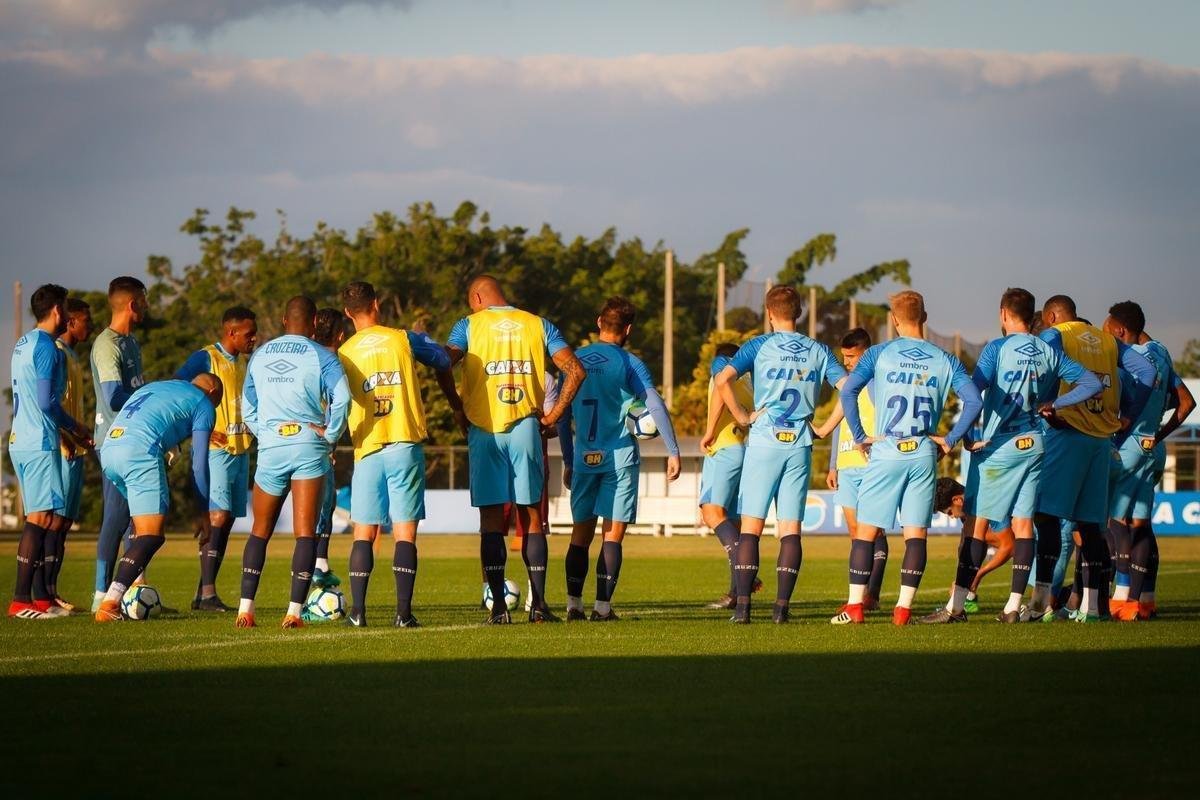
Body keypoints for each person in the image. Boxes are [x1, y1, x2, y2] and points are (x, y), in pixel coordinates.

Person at [923, 288, 1099, 623]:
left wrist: (963, 437)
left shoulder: (997, 348)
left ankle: (956, 607)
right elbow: (1091, 383)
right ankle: (1013, 607)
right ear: (1033, 316)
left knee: (977, 525)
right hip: (1034, 442)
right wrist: (1054, 404)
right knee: (1023, 526)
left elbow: (973, 395)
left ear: (1004, 313)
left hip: (1000, 444)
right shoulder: (1048, 351)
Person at [831, 289, 983, 626]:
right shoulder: (945, 359)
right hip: (923, 452)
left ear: (894, 320)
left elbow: (848, 390)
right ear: (924, 318)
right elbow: (974, 402)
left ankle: (855, 608)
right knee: (916, 535)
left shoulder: (880, 353)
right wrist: (951, 439)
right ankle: (903, 611)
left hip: (887, 449)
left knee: (866, 532)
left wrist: (858, 436)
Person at [445, 274, 585, 624]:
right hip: (526, 426)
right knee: (531, 518)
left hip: (485, 427)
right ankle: (538, 606)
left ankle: (498, 609)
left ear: (477, 298)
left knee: (491, 520)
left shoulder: (468, 325)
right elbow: (575, 370)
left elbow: (443, 362)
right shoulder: (537, 324)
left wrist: (457, 406)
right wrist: (553, 414)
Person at [713, 285, 846, 624]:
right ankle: (781, 610)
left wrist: (742, 416)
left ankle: (742, 609)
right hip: (798, 443)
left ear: (769, 313)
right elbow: (850, 389)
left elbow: (722, 379)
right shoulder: (818, 350)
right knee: (790, 529)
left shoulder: (758, 345)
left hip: (764, 442)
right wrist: (827, 426)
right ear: (798, 312)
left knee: (751, 528)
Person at [337, 281, 463, 628]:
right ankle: (403, 614)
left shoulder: (344, 351)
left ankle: (358, 613)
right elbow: (441, 359)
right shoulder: (403, 337)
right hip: (404, 442)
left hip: (367, 446)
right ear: (376, 304)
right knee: (405, 533)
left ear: (348, 313)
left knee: (364, 531)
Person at [1032, 294, 1156, 622]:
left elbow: (1044, 373)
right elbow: (1146, 372)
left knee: (1045, 517)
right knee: (1090, 526)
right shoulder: (1106, 341)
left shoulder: (1055, 335)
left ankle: (1038, 603)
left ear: (1053, 316)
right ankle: (1095, 606)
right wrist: (1129, 414)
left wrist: (1049, 406)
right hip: (1101, 442)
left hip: (1068, 433)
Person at [558, 297, 681, 621]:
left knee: (579, 535)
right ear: (628, 329)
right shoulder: (629, 363)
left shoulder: (574, 359)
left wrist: (569, 460)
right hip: (620, 460)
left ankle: (573, 605)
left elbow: (561, 415)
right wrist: (673, 450)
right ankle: (602, 608)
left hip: (585, 458)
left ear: (600, 322)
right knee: (612, 535)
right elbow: (654, 405)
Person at [235, 296, 350, 629]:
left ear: (285, 320)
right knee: (304, 535)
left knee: (260, 531)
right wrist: (330, 434)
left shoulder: (260, 354)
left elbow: (248, 406)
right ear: (314, 323)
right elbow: (342, 398)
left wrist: (265, 434)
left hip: (272, 448)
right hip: (308, 447)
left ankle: (246, 609)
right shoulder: (322, 356)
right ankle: (294, 613)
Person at [93, 376, 222, 621]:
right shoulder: (204, 403)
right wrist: (202, 511)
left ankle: (133, 592)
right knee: (152, 536)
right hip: (139, 452)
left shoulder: (159, 386)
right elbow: (199, 465)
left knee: (139, 528)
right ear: (213, 391)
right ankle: (110, 601)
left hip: (110, 450)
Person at [1103, 303, 1194, 621]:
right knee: (1140, 524)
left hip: (1128, 448)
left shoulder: (1130, 362)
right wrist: (1159, 433)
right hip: (1153, 449)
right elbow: (1187, 402)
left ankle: (1122, 596)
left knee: (1115, 523)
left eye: (1107, 333)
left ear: (1119, 331)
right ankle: (1145, 601)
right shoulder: (1162, 353)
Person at [8, 284, 92, 620]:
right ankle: (20, 601)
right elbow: (46, 402)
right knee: (40, 519)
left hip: (20, 440)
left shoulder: (23, 342)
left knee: (39, 517)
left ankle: (41, 599)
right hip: (39, 441)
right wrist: (76, 428)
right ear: (58, 310)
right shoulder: (46, 346)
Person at [175, 306, 258, 612]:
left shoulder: (244, 362)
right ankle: (208, 594)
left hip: (240, 449)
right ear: (231, 332)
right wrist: (199, 430)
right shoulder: (205, 358)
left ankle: (203, 593)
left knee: (228, 520)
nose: (254, 338)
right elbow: (176, 389)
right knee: (217, 517)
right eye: (249, 333)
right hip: (216, 451)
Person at [90, 276, 148, 612]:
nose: (147, 305)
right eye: (144, 299)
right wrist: (150, 400)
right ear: (133, 303)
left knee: (137, 519)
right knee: (115, 516)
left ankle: (130, 591)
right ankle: (101, 594)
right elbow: (113, 398)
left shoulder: (131, 343)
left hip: (135, 440)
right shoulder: (106, 344)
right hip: (113, 443)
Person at [826, 328, 889, 612]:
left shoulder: (878, 382)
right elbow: (840, 424)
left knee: (873, 532)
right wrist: (832, 465)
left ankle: (870, 595)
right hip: (847, 464)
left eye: (851, 356)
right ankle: (860, 595)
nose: (847, 362)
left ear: (866, 352)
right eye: (844, 357)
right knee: (855, 532)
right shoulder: (846, 385)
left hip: (872, 464)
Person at [40, 297, 95, 613]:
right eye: (86, 320)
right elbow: (47, 404)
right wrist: (64, 439)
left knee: (64, 524)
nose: (89, 325)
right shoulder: (57, 353)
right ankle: (44, 593)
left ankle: (51, 591)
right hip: (63, 448)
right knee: (54, 522)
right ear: (71, 321)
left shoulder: (73, 355)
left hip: (76, 447)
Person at [699, 342, 758, 610]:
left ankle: (748, 573)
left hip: (724, 448)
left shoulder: (721, 363)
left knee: (711, 512)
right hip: (746, 449)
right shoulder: (748, 378)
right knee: (732, 522)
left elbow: (720, 388)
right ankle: (737, 592)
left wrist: (710, 430)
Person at [311, 307, 353, 590]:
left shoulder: (302, 356)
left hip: (282, 441)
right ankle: (316, 568)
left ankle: (319, 564)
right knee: (322, 507)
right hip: (314, 444)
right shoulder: (333, 362)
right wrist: (330, 438)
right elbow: (341, 403)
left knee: (326, 504)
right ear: (340, 335)